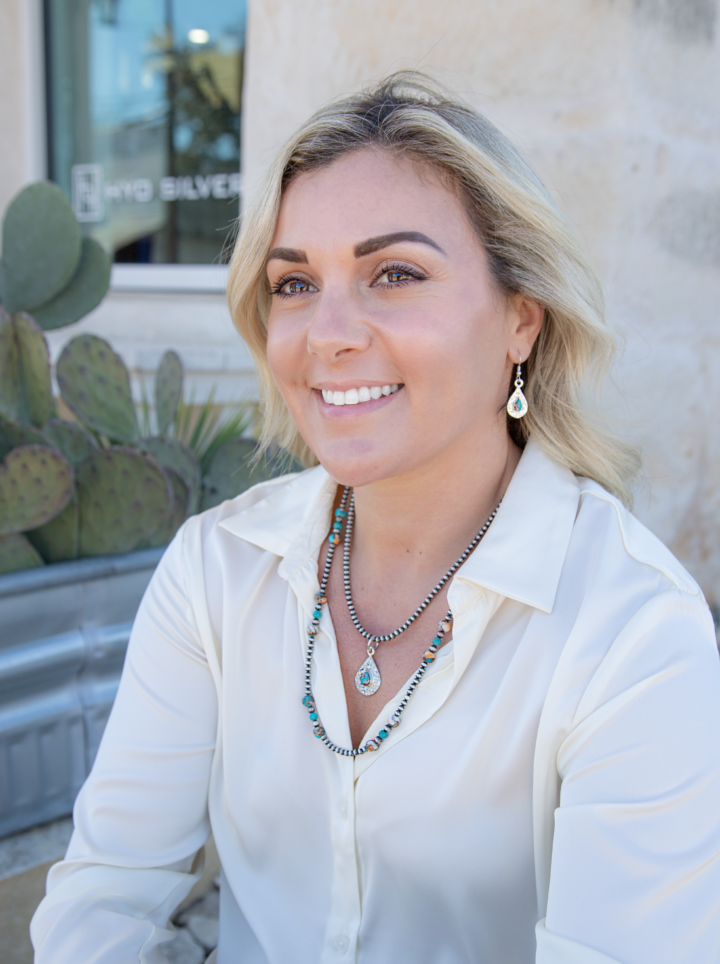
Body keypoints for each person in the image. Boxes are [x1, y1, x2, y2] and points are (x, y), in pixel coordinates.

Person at [32, 73, 720, 964]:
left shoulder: (631, 632)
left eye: (395, 273)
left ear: (521, 316)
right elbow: (105, 896)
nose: (328, 332)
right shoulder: (217, 568)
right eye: (292, 284)